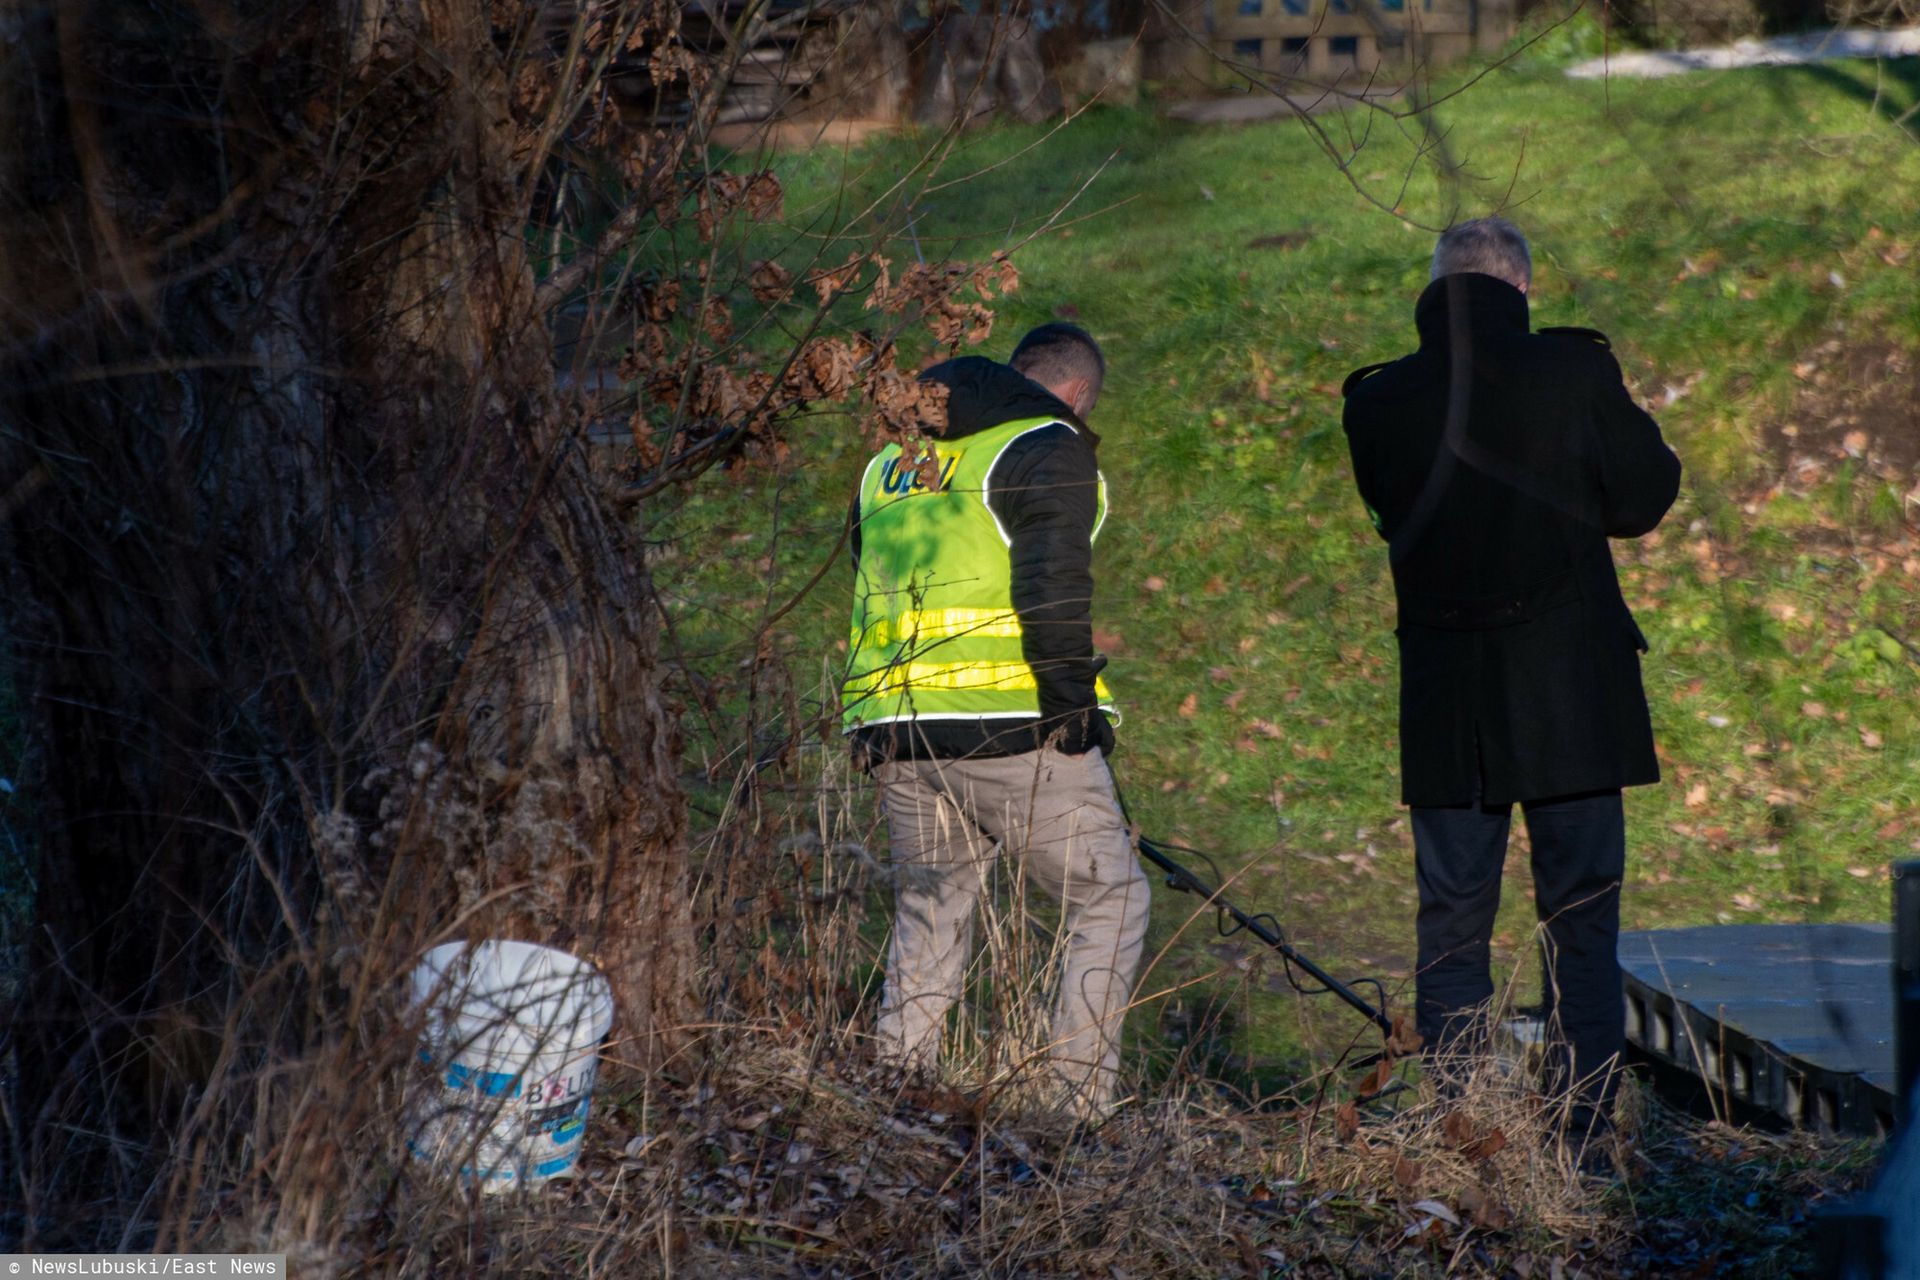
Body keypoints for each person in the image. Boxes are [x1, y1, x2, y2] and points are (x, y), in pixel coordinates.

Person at [1340, 218, 1681, 1161]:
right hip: (1570, 690)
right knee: (1581, 921)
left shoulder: (1374, 401)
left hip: (1450, 701)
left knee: (1451, 923)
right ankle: (1576, 1136)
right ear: (1520, 290)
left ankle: (1461, 1132)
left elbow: (1391, 518)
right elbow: (1643, 498)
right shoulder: (1574, 373)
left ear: (1436, 288)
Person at [841, 323, 1149, 1118]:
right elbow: (1053, 591)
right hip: (1011, 726)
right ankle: (1074, 1111)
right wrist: (1074, 713)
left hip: (896, 728)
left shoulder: (891, 462)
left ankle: (892, 1093)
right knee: (1109, 900)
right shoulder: (1047, 443)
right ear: (1076, 395)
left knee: (930, 910)